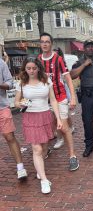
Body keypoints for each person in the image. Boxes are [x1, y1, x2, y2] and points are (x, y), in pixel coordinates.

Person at [15, 56, 62, 193]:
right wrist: (21, 103)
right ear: (25, 69)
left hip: (45, 116)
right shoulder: (22, 83)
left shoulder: (46, 80)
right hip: (30, 117)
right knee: (37, 149)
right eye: (28, 68)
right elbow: (16, 102)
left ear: (38, 68)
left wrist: (58, 118)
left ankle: (39, 170)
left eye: (34, 68)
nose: (31, 71)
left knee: (44, 147)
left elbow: (53, 100)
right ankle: (44, 180)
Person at [38, 32, 79, 171]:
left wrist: (72, 98)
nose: (44, 44)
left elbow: (68, 79)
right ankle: (45, 150)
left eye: (47, 41)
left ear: (51, 43)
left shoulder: (58, 59)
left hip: (60, 97)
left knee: (64, 127)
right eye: (42, 41)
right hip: (44, 100)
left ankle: (72, 156)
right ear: (40, 44)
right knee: (46, 128)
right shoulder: (38, 60)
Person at [0, 57, 27, 180]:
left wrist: (1, 85)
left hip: (2, 106)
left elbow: (10, 83)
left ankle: (20, 167)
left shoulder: (1, 63)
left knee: (9, 136)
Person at [52, 47, 75, 149]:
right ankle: (59, 138)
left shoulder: (62, 63)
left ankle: (69, 128)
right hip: (50, 93)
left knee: (65, 115)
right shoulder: (46, 63)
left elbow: (68, 78)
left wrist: (71, 98)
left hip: (62, 90)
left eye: (57, 53)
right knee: (55, 117)